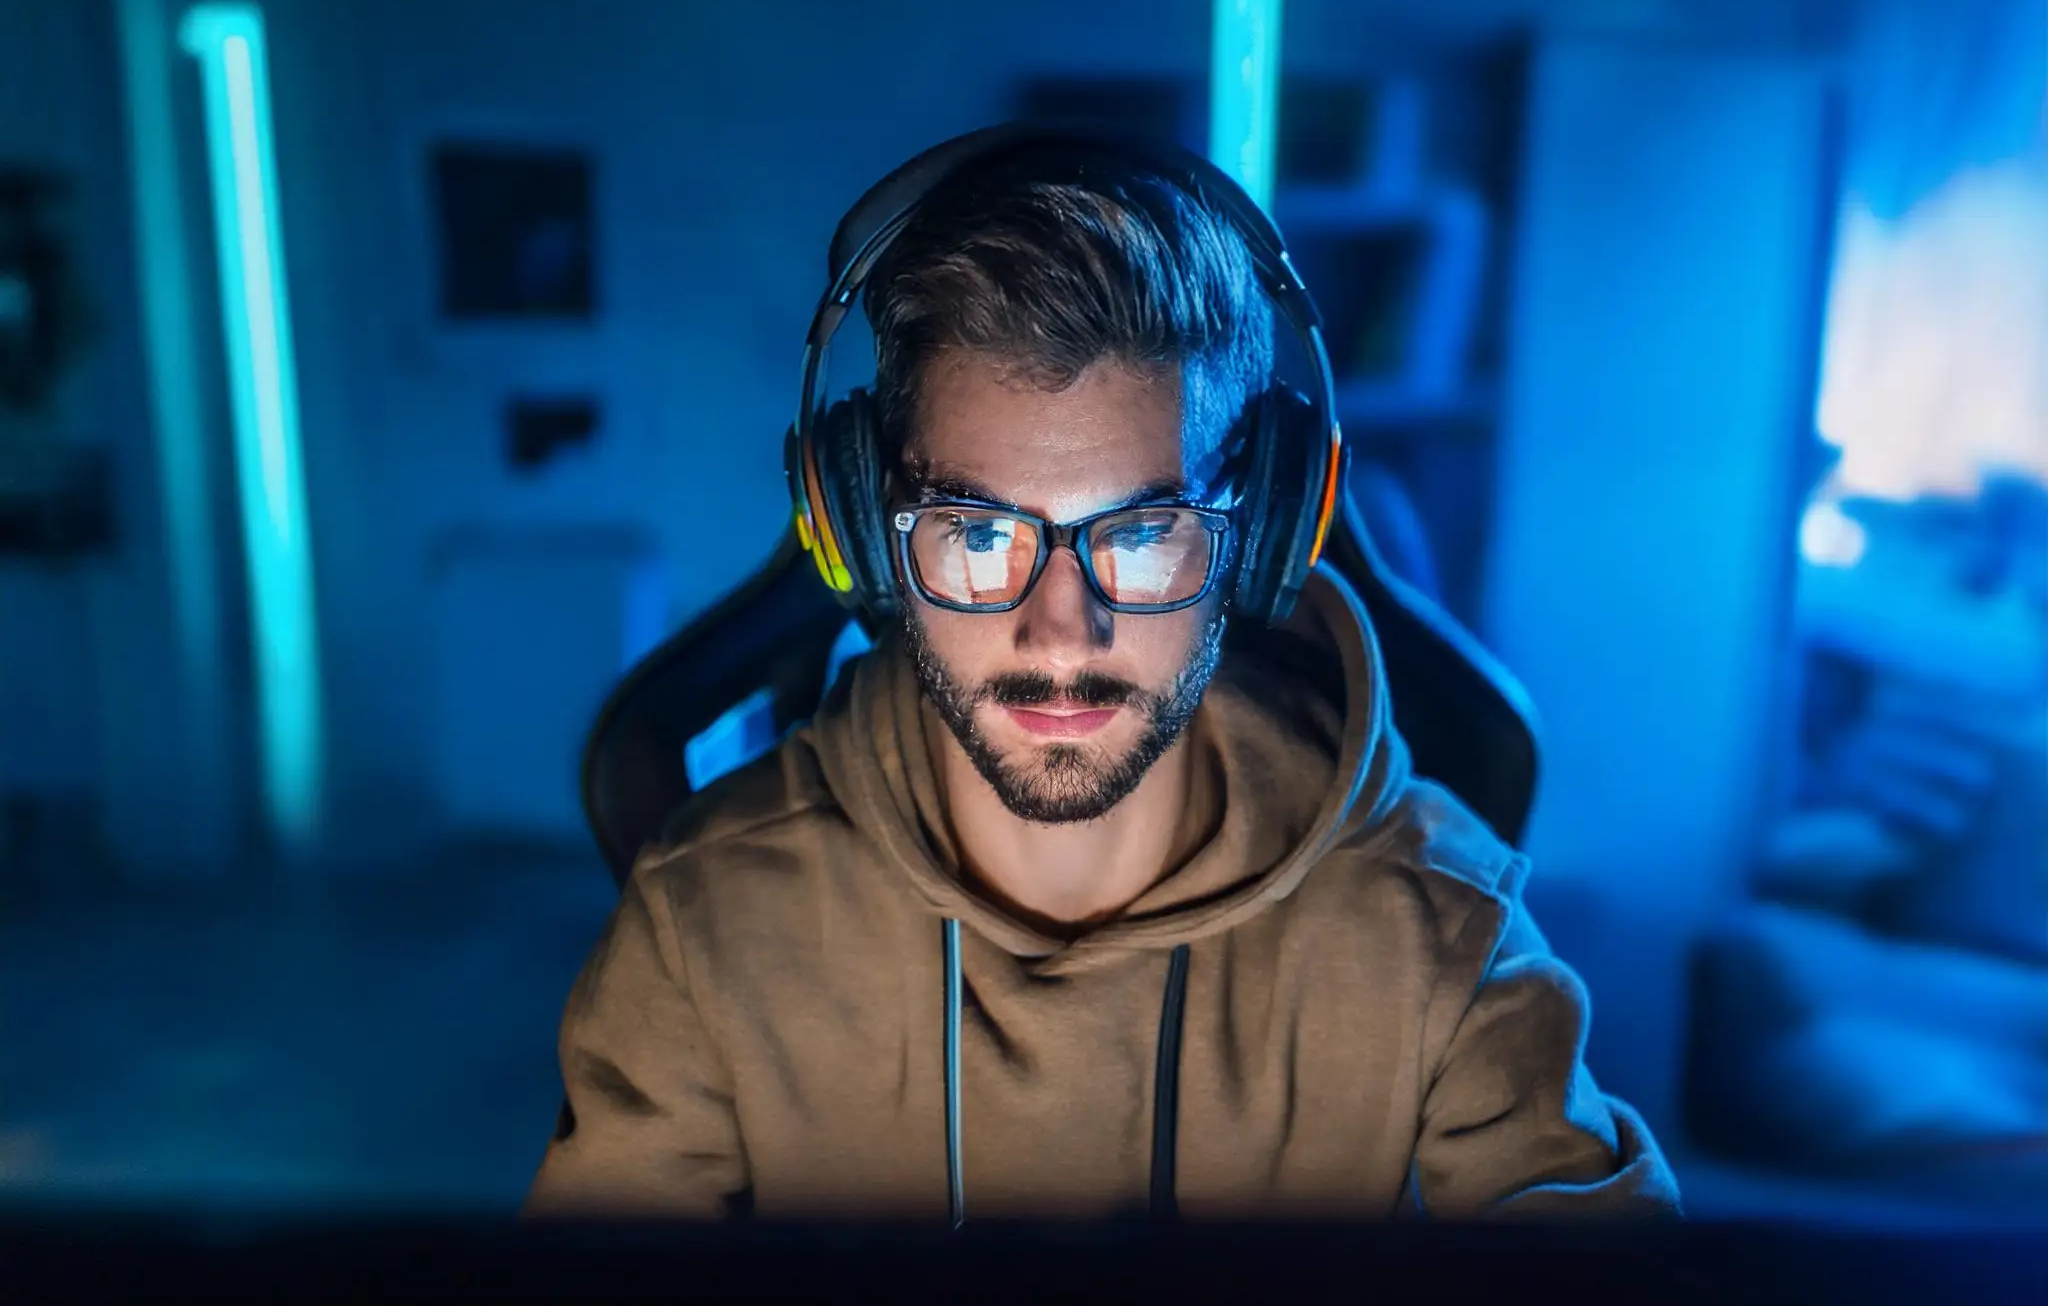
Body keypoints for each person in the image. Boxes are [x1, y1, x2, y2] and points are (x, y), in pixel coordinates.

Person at [527, 129, 1678, 1220]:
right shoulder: (706, 915)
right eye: (978, 535)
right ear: (869, 542)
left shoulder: (1437, 923)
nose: (1059, 632)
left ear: (1263, 534)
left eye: (1140, 534)